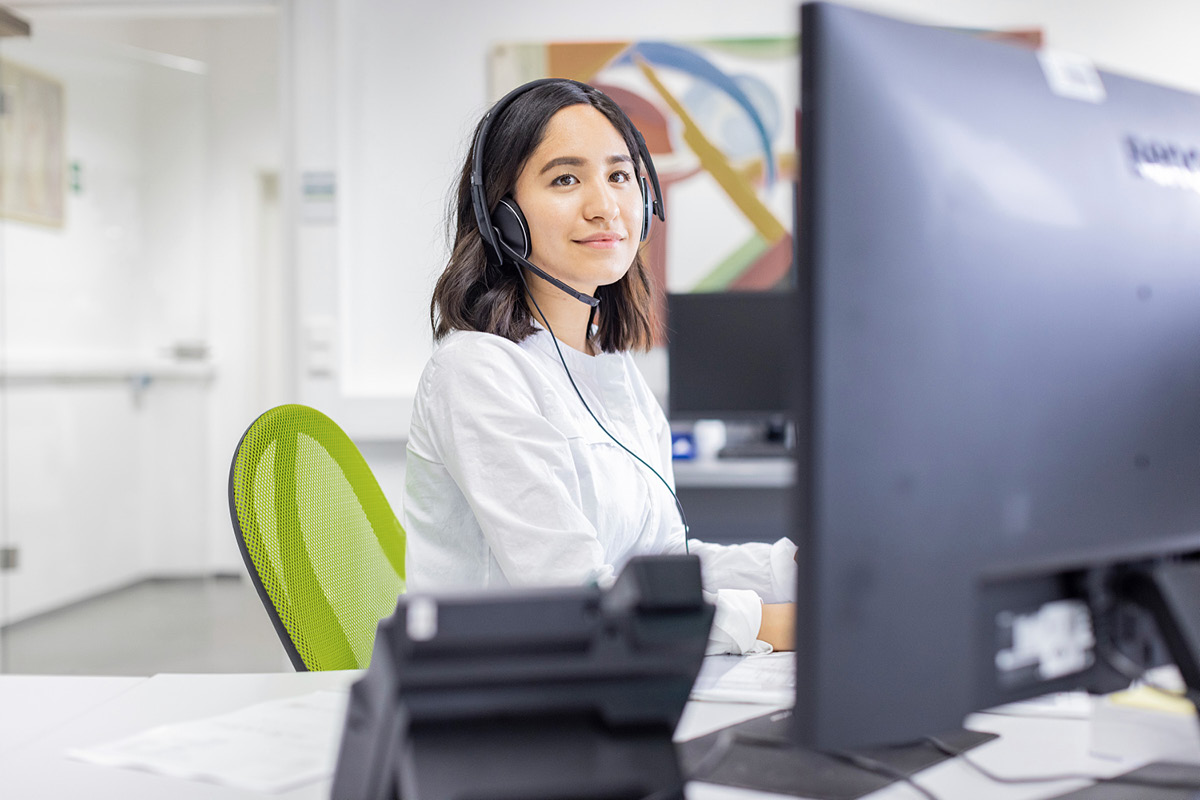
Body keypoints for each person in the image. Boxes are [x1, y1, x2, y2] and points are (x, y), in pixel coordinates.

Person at [403, 78, 796, 654]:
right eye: (565, 179)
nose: (604, 206)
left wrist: (797, 570)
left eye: (619, 176)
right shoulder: (477, 372)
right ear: (502, 216)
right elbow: (581, 596)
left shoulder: (609, 369)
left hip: (602, 683)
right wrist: (767, 624)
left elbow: (663, 565)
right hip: (507, 698)